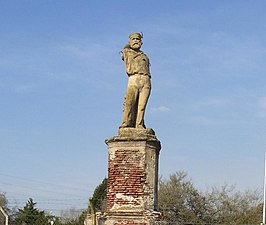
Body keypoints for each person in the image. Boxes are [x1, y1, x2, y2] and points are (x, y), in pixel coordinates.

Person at [120, 32, 151, 129]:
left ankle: (139, 124)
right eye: (133, 39)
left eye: (138, 39)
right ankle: (127, 123)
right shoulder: (127, 52)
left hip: (146, 79)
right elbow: (124, 49)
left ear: (141, 42)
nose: (136, 41)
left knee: (141, 106)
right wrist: (130, 43)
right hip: (134, 78)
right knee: (130, 102)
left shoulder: (144, 56)